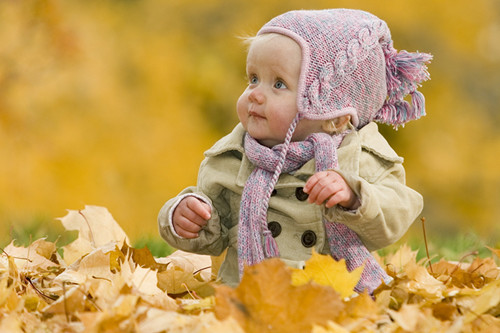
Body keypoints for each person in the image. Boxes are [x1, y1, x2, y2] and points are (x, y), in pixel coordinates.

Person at [158, 8, 431, 294]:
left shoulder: (358, 156)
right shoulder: (232, 156)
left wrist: (354, 197)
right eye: (252, 78)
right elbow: (213, 236)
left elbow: (397, 211)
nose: (255, 94)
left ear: (334, 115)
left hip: (333, 300)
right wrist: (186, 218)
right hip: (247, 296)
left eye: (278, 84)